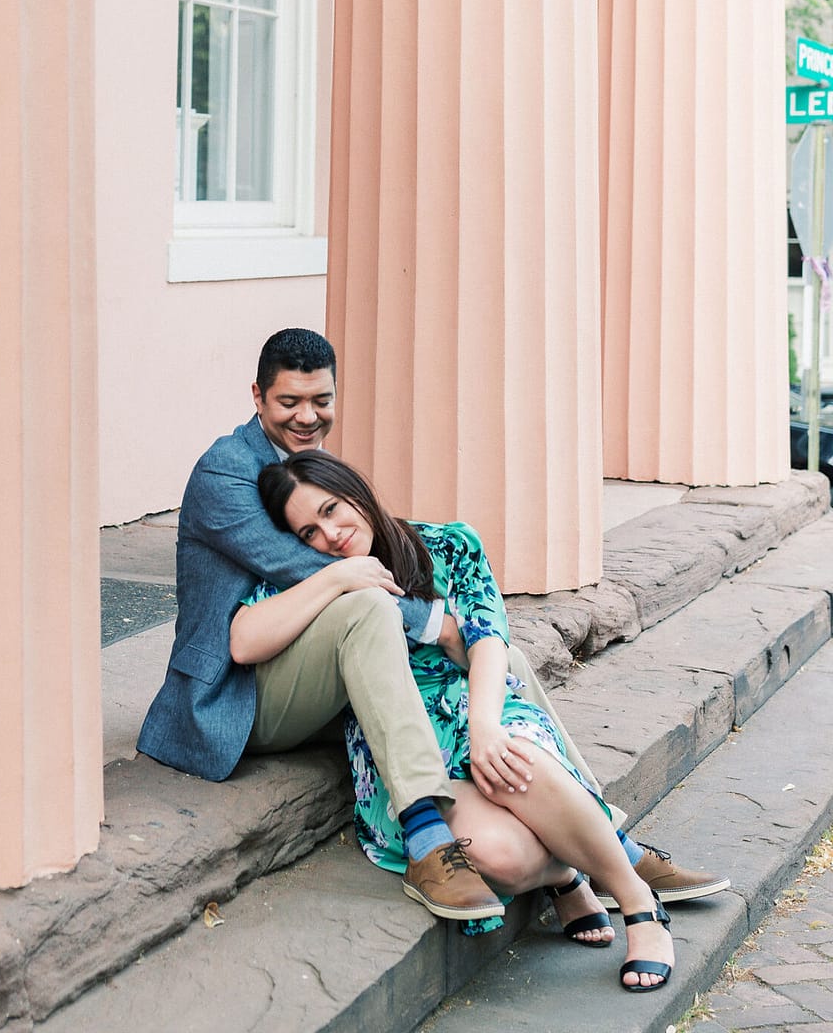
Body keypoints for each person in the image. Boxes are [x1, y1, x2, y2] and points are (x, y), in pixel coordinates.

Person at [137, 327, 726, 932]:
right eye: (289, 402)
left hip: (311, 661)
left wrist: (467, 645)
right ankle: (427, 836)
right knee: (376, 611)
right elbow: (305, 566)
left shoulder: (304, 466)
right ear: (258, 397)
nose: (307, 417)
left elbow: (352, 555)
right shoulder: (227, 470)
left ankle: (610, 839)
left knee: (500, 658)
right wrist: (430, 621)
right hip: (236, 690)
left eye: (322, 401)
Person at [249, 449, 678, 991]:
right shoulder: (309, 572)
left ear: (356, 491)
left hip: (475, 706)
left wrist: (484, 726)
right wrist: (335, 580)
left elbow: (488, 640)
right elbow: (245, 639)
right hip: (404, 743)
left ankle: (640, 905)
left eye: (331, 509)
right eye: (308, 531)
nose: (329, 535)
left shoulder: (449, 543)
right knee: (502, 857)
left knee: (511, 763)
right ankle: (568, 872)